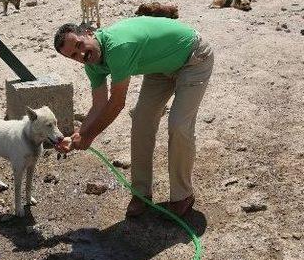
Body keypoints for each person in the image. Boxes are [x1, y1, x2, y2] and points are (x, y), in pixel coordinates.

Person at [53, 17, 214, 217]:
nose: (82, 54)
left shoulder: (119, 47)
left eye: (80, 45)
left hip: (193, 57)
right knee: (141, 122)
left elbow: (117, 103)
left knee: (179, 125)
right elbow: (98, 105)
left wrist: (88, 137)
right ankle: (141, 194)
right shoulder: (92, 63)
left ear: (88, 33)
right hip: (159, 68)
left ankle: (182, 195)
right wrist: (77, 136)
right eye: (74, 55)